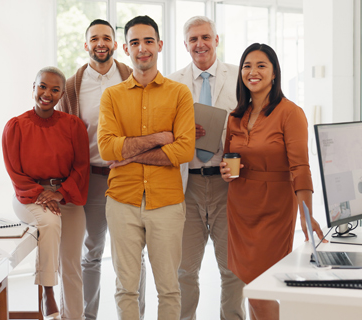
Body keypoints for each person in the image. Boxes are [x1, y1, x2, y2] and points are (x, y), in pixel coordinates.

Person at [97, 15, 195, 320]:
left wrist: (129, 153)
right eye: (135, 42)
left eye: (148, 41)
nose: (143, 49)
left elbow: (184, 149)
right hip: (121, 200)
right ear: (126, 48)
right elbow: (107, 148)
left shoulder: (179, 93)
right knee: (126, 287)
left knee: (169, 288)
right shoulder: (111, 96)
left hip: (166, 202)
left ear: (160, 45)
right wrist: (157, 140)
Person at [220, 43, 325, 320]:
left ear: (275, 73)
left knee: (260, 291)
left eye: (261, 66)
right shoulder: (235, 116)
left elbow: (301, 167)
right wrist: (225, 170)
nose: (253, 72)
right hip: (240, 208)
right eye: (247, 66)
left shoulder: (290, 112)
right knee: (251, 287)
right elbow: (229, 159)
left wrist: (306, 214)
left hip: (274, 208)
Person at [56, 18, 146, 320]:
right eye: (94, 38)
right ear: (86, 45)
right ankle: (87, 316)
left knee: (133, 255)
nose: (100, 43)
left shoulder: (131, 77)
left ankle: (133, 315)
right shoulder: (72, 87)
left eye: (106, 37)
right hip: (91, 179)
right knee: (91, 253)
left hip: (129, 175)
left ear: (115, 44)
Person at [168, 16, 245, 320]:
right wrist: (182, 133)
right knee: (185, 269)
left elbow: (249, 127)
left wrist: (235, 162)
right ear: (185, 44)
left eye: (205, 37)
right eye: (193, 39)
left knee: (232, 268)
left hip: (228, 185)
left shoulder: (240, 77)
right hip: (188, 185)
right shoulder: (173, 82)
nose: (200, 44)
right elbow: (164, 131)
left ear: (216, 40)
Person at [2, 66, 90, 320]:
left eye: (54, 90)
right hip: (29, 195)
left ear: (62, 94)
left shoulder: (73, 126)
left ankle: (74, 316)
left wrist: (61, 194)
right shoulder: (16, 126)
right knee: (50, 222)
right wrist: (42, 194)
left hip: (67, 193)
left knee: (72, 264)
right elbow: (14, 171)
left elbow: (81, 166)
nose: (47, 94)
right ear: (33, 88)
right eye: (42, 87)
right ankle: (47, 290)